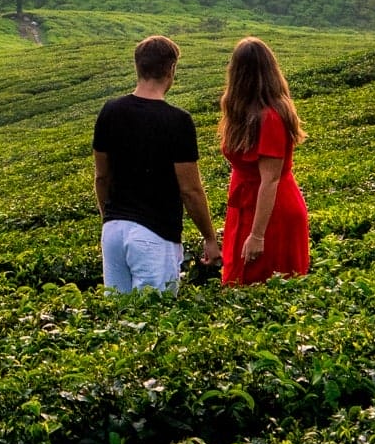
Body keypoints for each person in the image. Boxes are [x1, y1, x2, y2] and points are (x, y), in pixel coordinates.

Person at [92, 34, 222, 292]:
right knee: (153, 318)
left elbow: (101, 177)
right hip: (153, 235)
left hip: (113, 232)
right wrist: (209, 237)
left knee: (116, 317)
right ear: (171, 70)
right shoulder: (178, 121)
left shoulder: (110, 110)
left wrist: (110, 218)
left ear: (137, 67)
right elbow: (190, 190)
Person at [218, 36, 309, 285]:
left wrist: (257, 235)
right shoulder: (243, 113)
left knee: (262, 283)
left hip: (271, 213)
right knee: (240, 283)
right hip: (245, 205)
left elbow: (270, 180)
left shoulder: (269, 118)